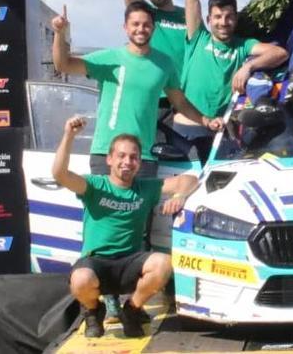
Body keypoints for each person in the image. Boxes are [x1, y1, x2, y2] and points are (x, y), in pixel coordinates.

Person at [53, 118, 199, 338]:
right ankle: (93, 311)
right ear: (110, 159)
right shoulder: (94, 185)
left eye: (133, 157)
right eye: (121, 156)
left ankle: (131, 310)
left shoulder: (145, 188)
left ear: (139, 163)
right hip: (97, 261)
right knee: (81, 279)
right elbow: (60, 174)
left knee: (163, 263)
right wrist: (69, 135)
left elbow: (189, 180)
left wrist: (180, 195)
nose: (127, 162)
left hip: (130, 262)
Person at [51, 1, 221, 175]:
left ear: (153, 28)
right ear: (125, 27)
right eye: (135, 24)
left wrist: (205, 120)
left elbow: (179, 102)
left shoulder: (164, 64)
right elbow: (63, 65)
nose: (141, 29)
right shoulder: (109, 58)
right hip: (107, 155)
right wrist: (59, 33)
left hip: (143, 157)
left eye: (146, 25)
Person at [176, 0, 288, 161]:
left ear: (236, 19)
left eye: (228, 17)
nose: (223, 22)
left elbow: (280, 54)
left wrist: (249, 66)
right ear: (208, 18)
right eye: (217, 17)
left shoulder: (243, 45)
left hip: (221, 131)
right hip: (186, 129)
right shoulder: (198, 37)